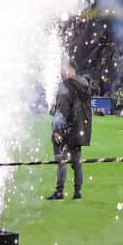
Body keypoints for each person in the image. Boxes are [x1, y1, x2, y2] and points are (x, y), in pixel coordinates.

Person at [45, 63, 94, 201]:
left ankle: (59, 191)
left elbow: (63, 110)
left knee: (61, 160)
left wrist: (57, 130)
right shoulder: (84, 85)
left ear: (70, 70)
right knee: (76, 162)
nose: (61, 74)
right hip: (79, 130)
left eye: (63, 70)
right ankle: (77, 192)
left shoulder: (66, 85)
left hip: (65, 130)